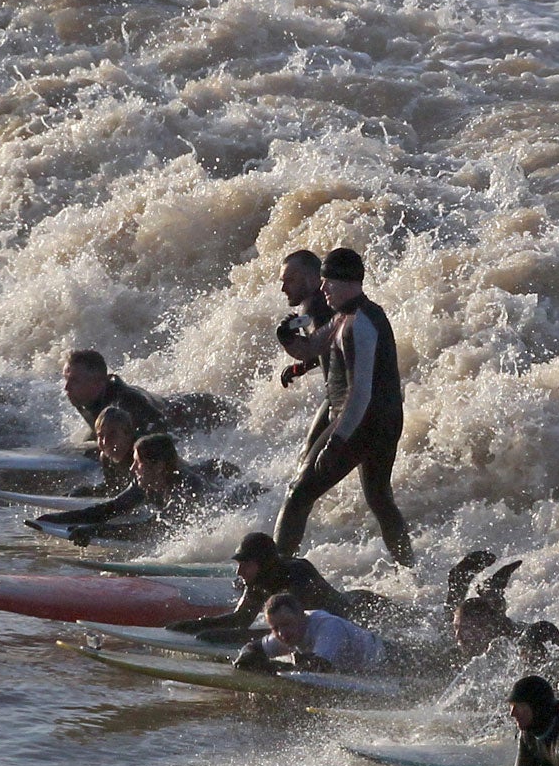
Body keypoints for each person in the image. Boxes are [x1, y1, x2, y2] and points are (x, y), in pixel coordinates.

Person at [271, 247, 413, 565]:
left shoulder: (361, 323)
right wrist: (287, 338)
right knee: (379, 498)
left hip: (363, 422)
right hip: (383, 422)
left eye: (327, 283)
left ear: (346, 282)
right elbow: (310, 347)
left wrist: (336, 442)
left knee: (298, 493)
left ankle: (271, 576)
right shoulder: (342, 317)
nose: (322, 290)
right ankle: (411, 570)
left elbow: (360, 393)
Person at [46, 432, 259, 544]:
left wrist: (94, 531)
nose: (131, 468)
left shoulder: (185, 488)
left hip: (245, 499)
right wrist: (53, 519)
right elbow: (110, 509)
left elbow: (149, 529)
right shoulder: (145, 483)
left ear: (158, 466)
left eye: (137, 462)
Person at [170, 531, 383, 636]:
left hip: (361, 609)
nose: (239, 571)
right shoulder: (258, 581)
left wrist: (227, 637)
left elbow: (296, 631)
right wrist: (196, 624)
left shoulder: (297, 575)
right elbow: (241, 619)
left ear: (262, 563)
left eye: (245, 564)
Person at [63, 349, 234, 439]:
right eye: (66, 379)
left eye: (75, 381)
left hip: (204, 410)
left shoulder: (128, 404)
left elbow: (165, 438)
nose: (66, 388)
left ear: (98, 383)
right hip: (172, 404)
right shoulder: (82, 397)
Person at [451, 558, 559, 669]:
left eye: (465, 628)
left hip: (509, 630)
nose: (458, 635)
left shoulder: (510, 641)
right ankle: (485, 588)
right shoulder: (462, 643)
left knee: (500, 621)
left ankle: (490, 589)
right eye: (456, 627)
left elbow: (545, 628)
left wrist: (529, 644)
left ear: (483, 627)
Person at [234, 593, 385, 674]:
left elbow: (320, 667)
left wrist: (270, 667)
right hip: (363, 669)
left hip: (389, 659)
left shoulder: (328, 627)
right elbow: (251, 648)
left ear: (302, 616)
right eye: (275, 627)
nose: (281, 633)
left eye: (286, 624)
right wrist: (247, 659)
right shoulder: (285, 632)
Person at [272, 248, 334, 388]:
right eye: (283, 281)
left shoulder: (313, 306)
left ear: (312, 278)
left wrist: (286, 338)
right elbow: (334, 348)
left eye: (290, 281)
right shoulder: (331, 301)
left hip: (348, 396)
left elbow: (316, 347)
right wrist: (301, 368)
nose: (283, 288)